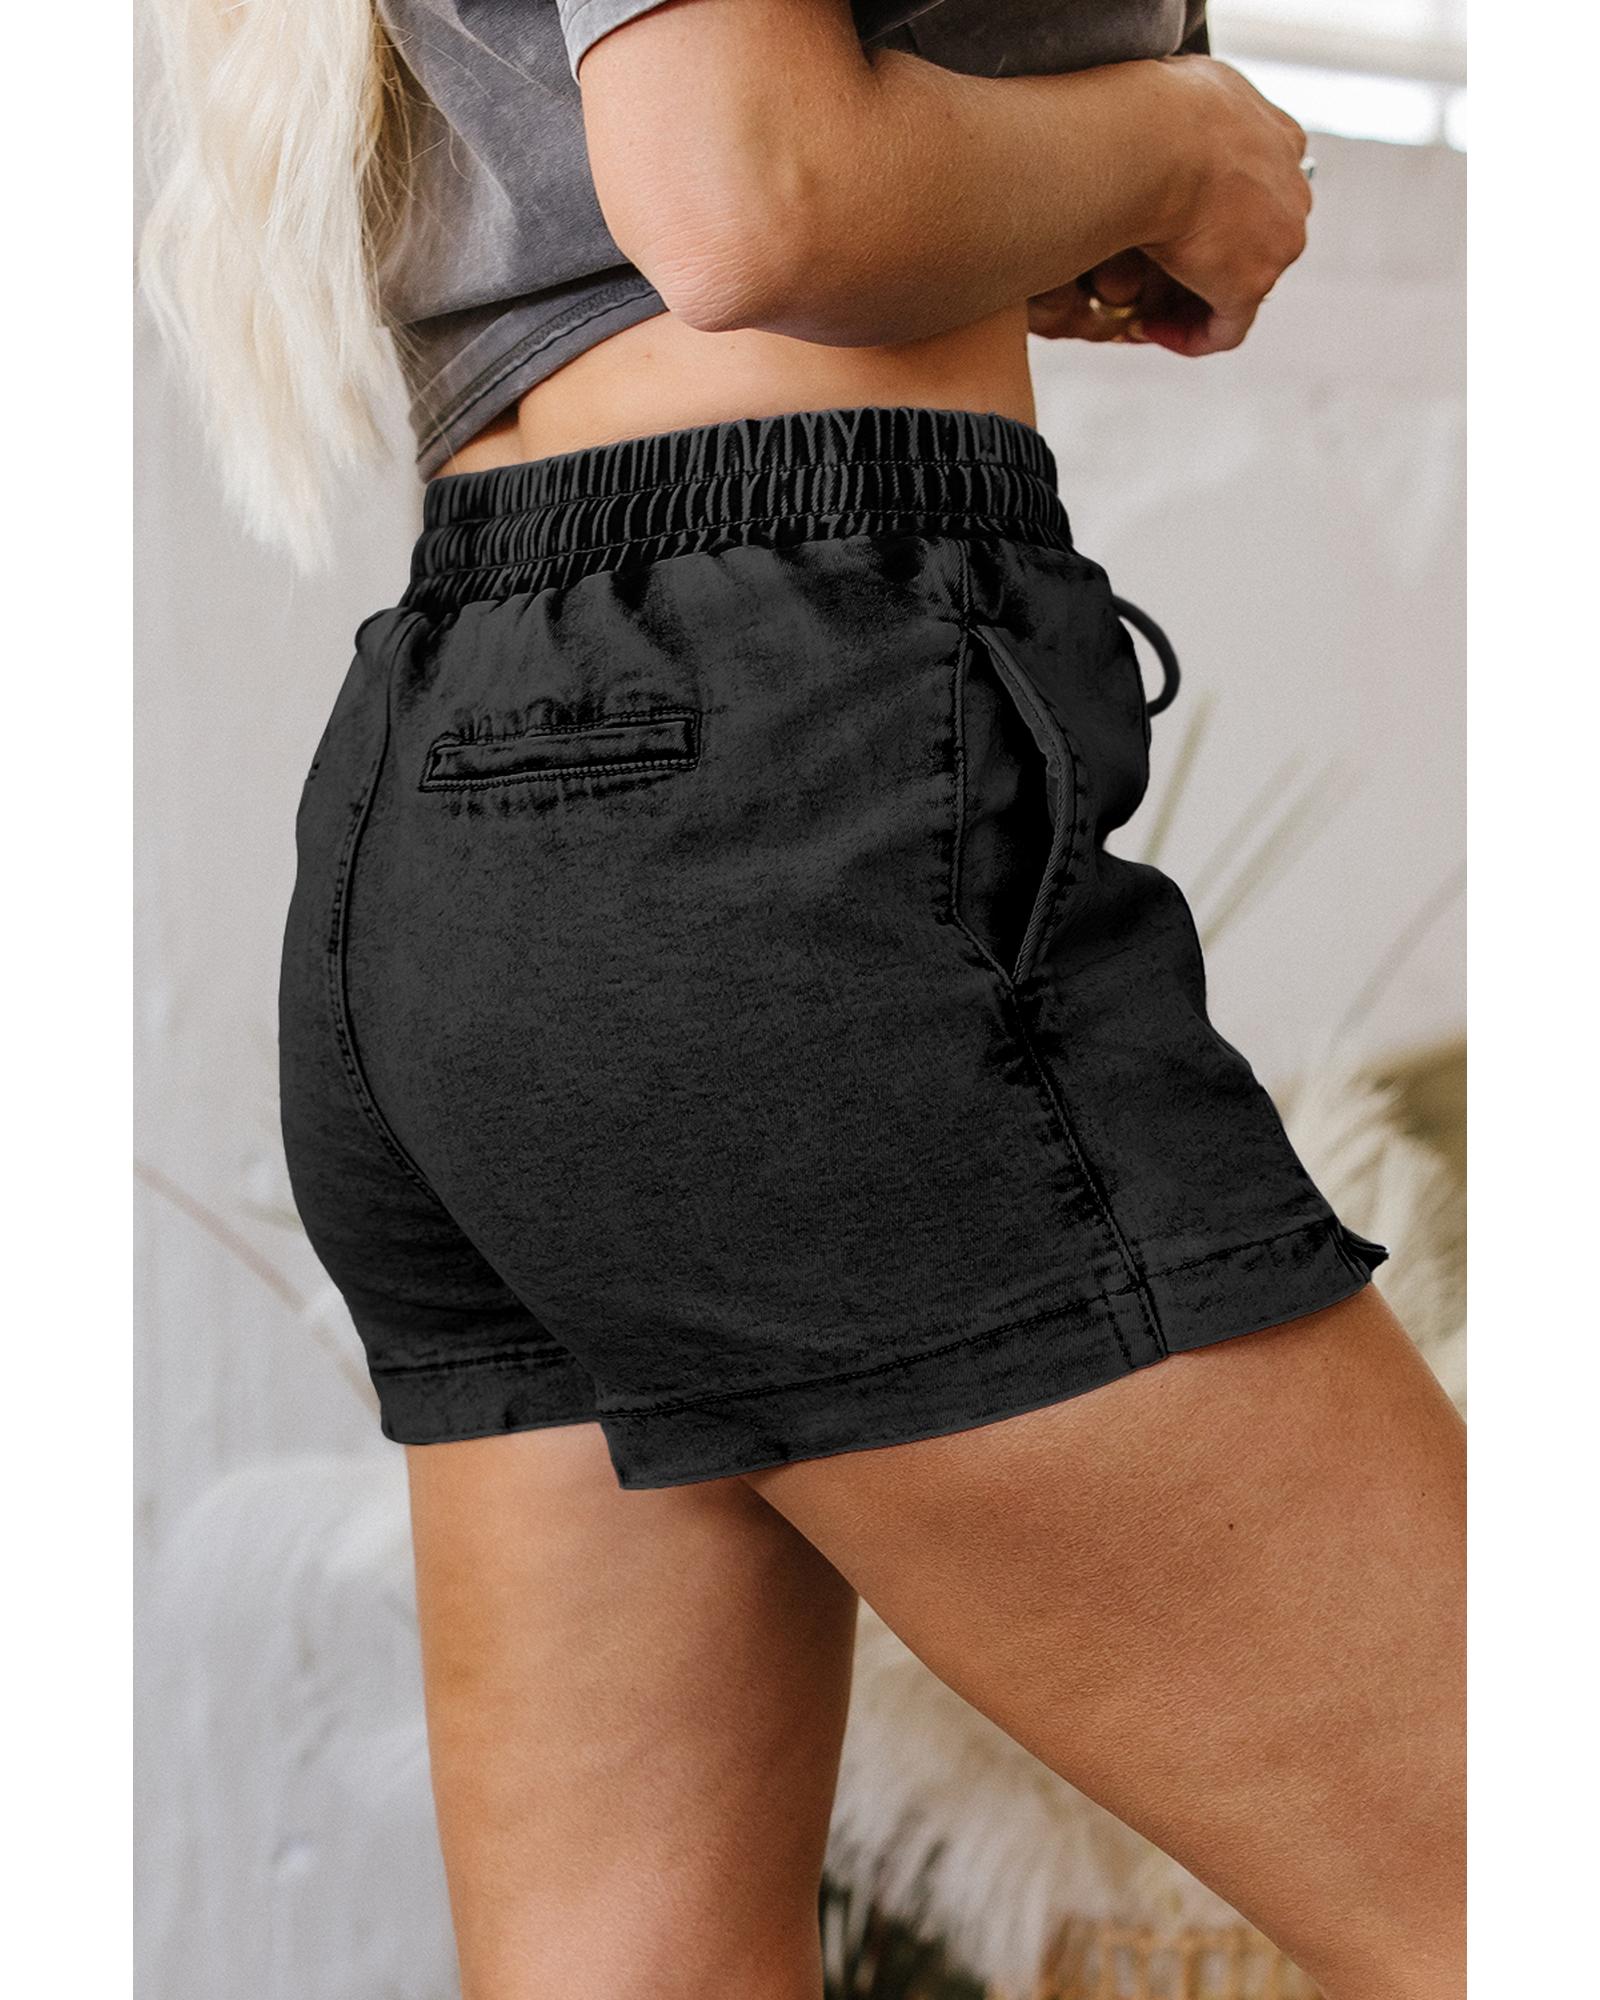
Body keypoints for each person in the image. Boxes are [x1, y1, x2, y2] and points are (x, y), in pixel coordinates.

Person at [141, 4, 1466, 1995]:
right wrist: (1179, 140)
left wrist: (1028, 172)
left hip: (472, 793)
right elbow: (749, 191)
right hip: (769, 758)